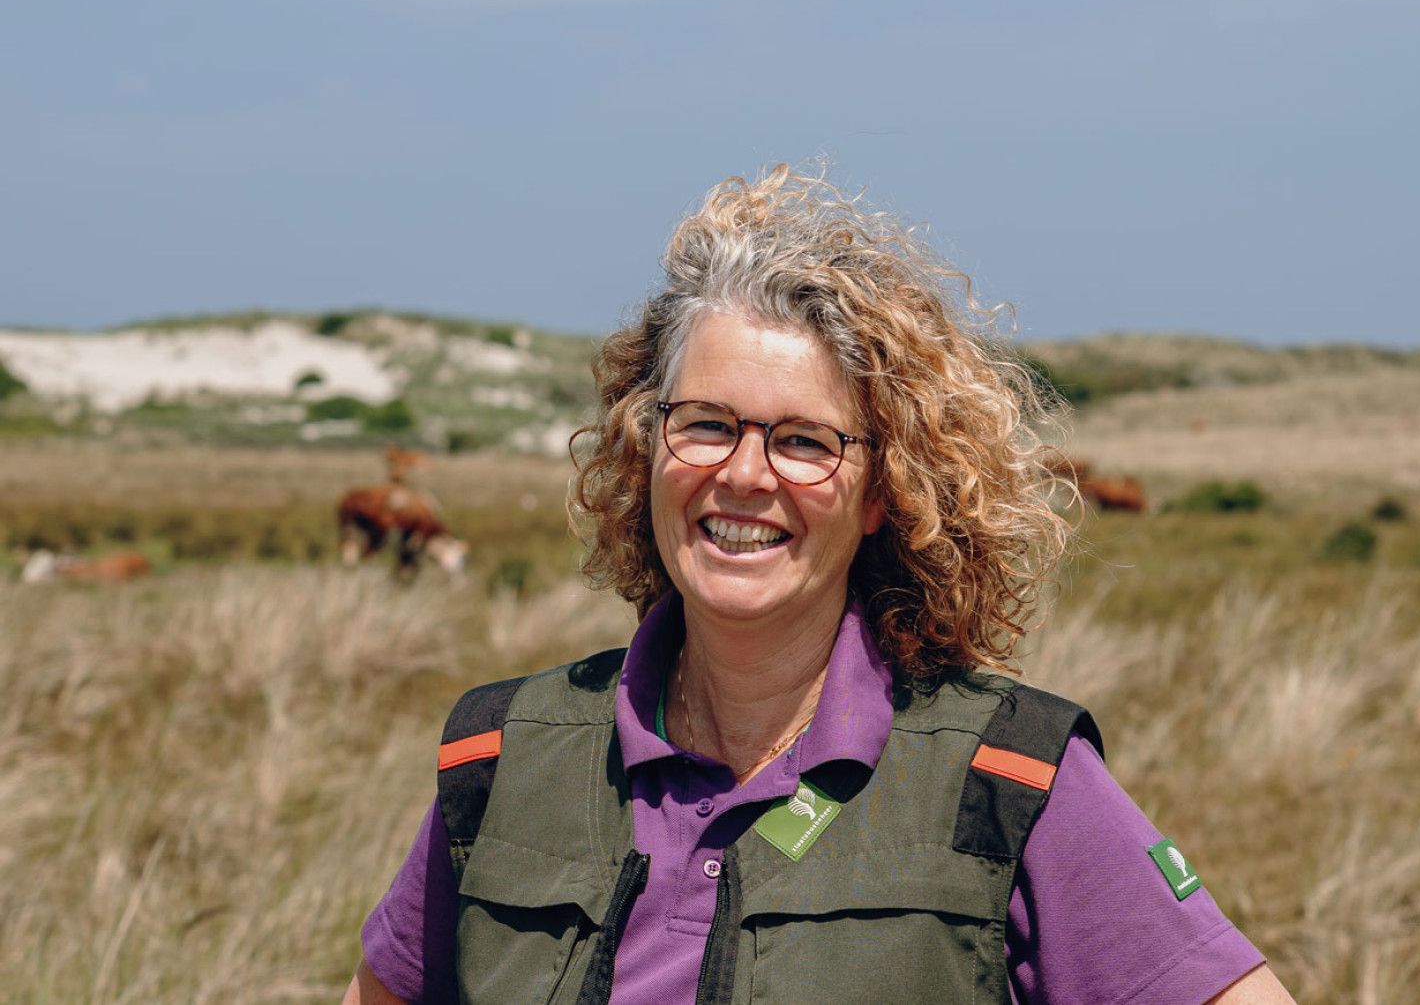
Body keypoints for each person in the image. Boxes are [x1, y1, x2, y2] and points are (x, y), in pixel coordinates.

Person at [345, 167, 1294, 1004]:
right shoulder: (504, 761)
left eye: (805, 441)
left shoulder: (1010, 783)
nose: (746, 475)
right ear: (647, 447)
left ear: (886, 491)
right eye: (706, 423)